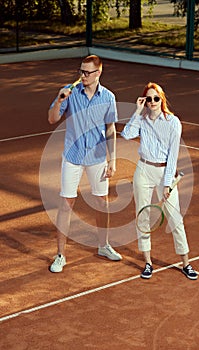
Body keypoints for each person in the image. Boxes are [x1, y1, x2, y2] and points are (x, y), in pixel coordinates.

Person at [48, 55, 122, 273]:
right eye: (81, 71)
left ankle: (104, 246)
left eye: (87, 72)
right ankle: (60, 255)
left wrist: (113, 159)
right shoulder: (69, 93)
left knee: (102, 203)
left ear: (98, 73)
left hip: (98, 157)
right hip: (73, 157)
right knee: (66, 204)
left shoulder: (108, 97)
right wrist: (60, 100)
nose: (82, 75)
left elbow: (110, 129)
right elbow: (52, 119)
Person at [121, 82, 197, 280]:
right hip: (143, 170)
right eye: (149, 98)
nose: (152, 102)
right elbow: (127, 134)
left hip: (165, 172)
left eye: (156, 98)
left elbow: (173, 155)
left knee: (175, 218)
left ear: (161, 99)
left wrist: (166, 184)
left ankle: (186, 263)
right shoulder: (142, 119)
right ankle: (147, 262)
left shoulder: (173, 122)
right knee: (143, 217)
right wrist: (137, 111)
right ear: (144, 100)